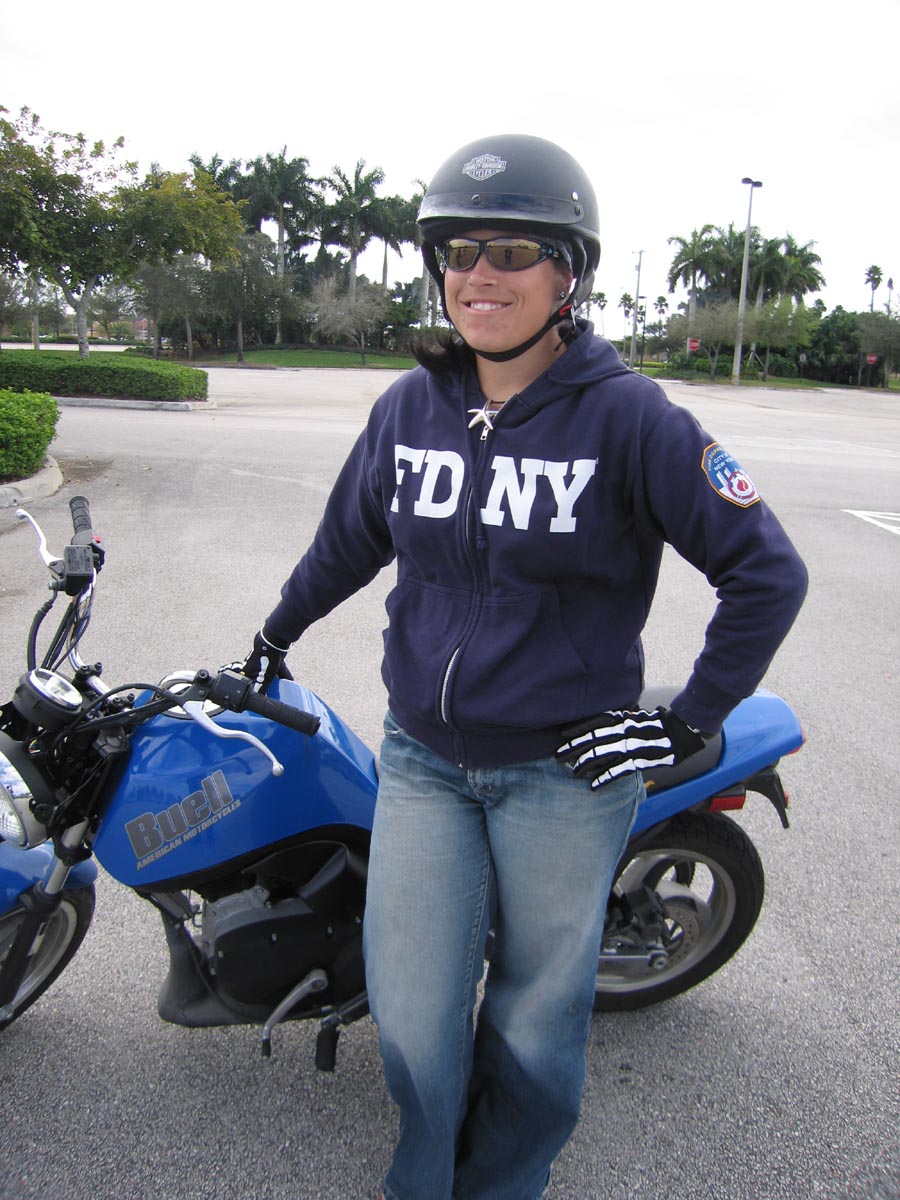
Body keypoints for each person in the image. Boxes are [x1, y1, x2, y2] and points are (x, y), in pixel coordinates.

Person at [241, 134, 808, 1200]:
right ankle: (424, 1180)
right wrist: (277, 630)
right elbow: (350, 540)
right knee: (412, 1008)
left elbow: (766, 573)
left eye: (511, 251)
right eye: (458, 252)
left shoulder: (633, 418)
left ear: (568, 274)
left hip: (565, 773)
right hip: (424, 759)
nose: (480, 275)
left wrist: (692, 717)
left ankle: (504, 1183)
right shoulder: (410, 408)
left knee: (538, 1017)